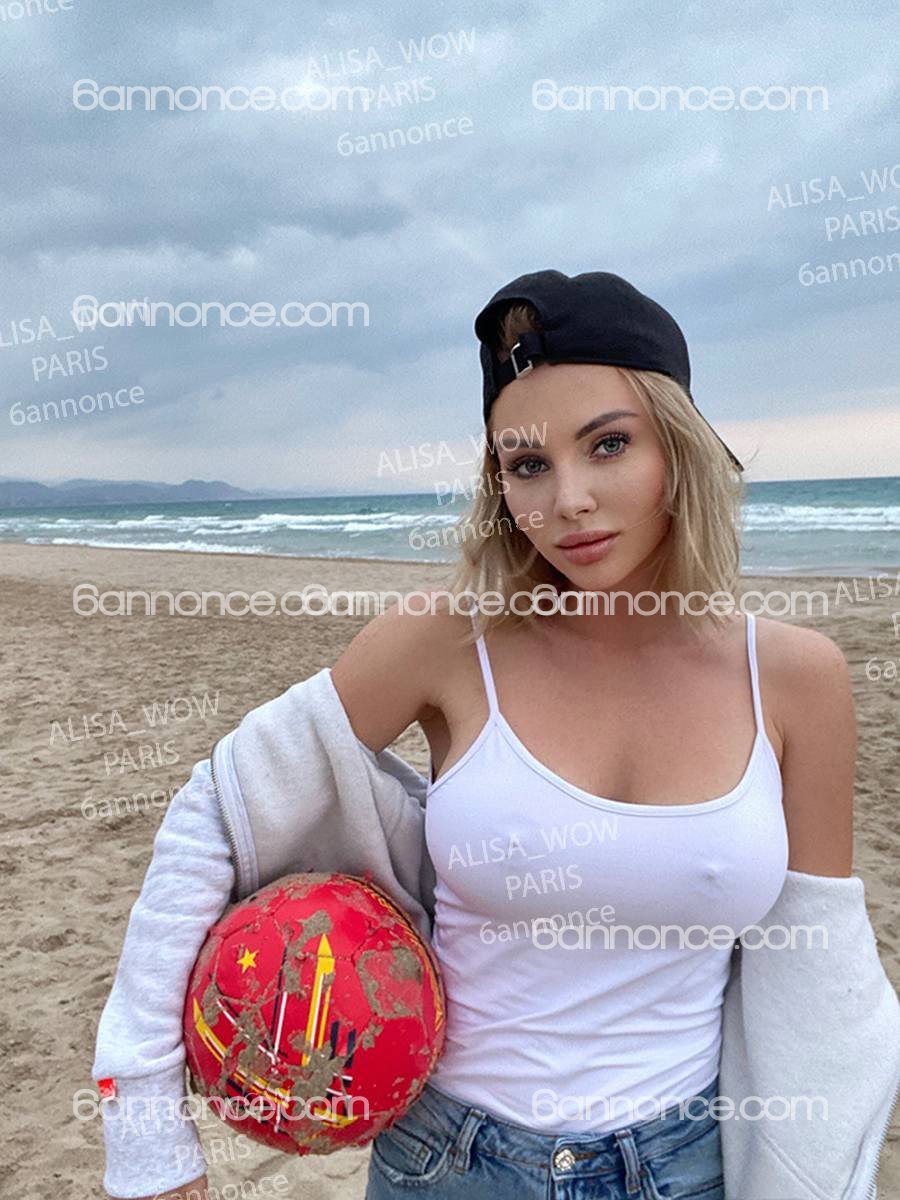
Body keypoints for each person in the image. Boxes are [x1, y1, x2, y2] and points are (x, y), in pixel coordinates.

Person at [92, 270, 897, 1200]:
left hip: (685, 1168)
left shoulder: (794, 677)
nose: (569, 500)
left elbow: (818, 973)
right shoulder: (450, 639)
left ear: (678, 446)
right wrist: (146, 1134)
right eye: (527, 465)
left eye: (608, 444)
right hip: (452, 1163)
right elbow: (217, 810)